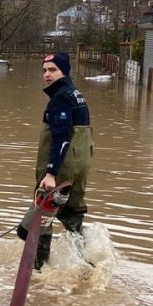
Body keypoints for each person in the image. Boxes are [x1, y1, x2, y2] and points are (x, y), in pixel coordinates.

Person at [33, 52, 94, 270]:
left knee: (42, 216)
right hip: (79, 167)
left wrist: (51, 173)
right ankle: (84, 263)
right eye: (44, 70)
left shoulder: (60, 98)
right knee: (73, 215)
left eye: (53, 70)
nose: (47, 75)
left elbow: (61, 137)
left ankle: (38, 268)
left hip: (62, 168)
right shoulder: (77, 94)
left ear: (64, 72)